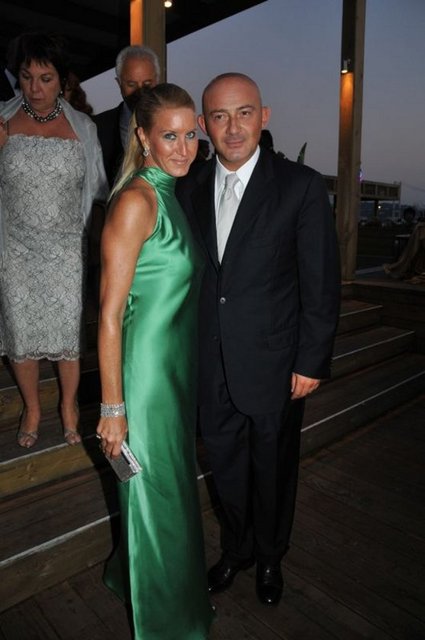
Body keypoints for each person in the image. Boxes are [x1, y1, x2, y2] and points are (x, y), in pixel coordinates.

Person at [176, 72, 341, 606]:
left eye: (244, 113)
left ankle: (270, 557)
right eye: (219, 116)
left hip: (275, 363)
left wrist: (311, 360)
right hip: (211, 364)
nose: (232, 127)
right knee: (224, 468)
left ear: (263, 116)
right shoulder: (187, 187)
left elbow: (321, 282)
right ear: (203, 125)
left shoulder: (300, 186)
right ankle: (238, 549)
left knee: (272, 469)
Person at [96, 83, 214, 639]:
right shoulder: (136, 202)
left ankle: (138, 580)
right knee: (156, 496)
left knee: (167, 491)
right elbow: (108, 316)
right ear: (143, 137)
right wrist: (113, 408)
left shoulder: (170, 194)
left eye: (190, 135)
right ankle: (168, 625)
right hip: (143, 383)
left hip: (172, 376)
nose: (184, 148)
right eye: (170, 136)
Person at [0, 32, 108, 448]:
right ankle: (32, 407)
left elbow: (98, 188)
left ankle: (68, 405)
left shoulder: (83, 127)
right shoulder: (3, 120)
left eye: (45, 78)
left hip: (65, 249)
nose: (35, 88)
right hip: (15, 248)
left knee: (66, 334)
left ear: (62, 80)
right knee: (19, 330)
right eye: (27, 77)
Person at [93, 44, 160, 187]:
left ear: (157, 80)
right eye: (132, 84)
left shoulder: (173, 123)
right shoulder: (97, 128)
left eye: (147, 84)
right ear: (119, 83)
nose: (140, 92)